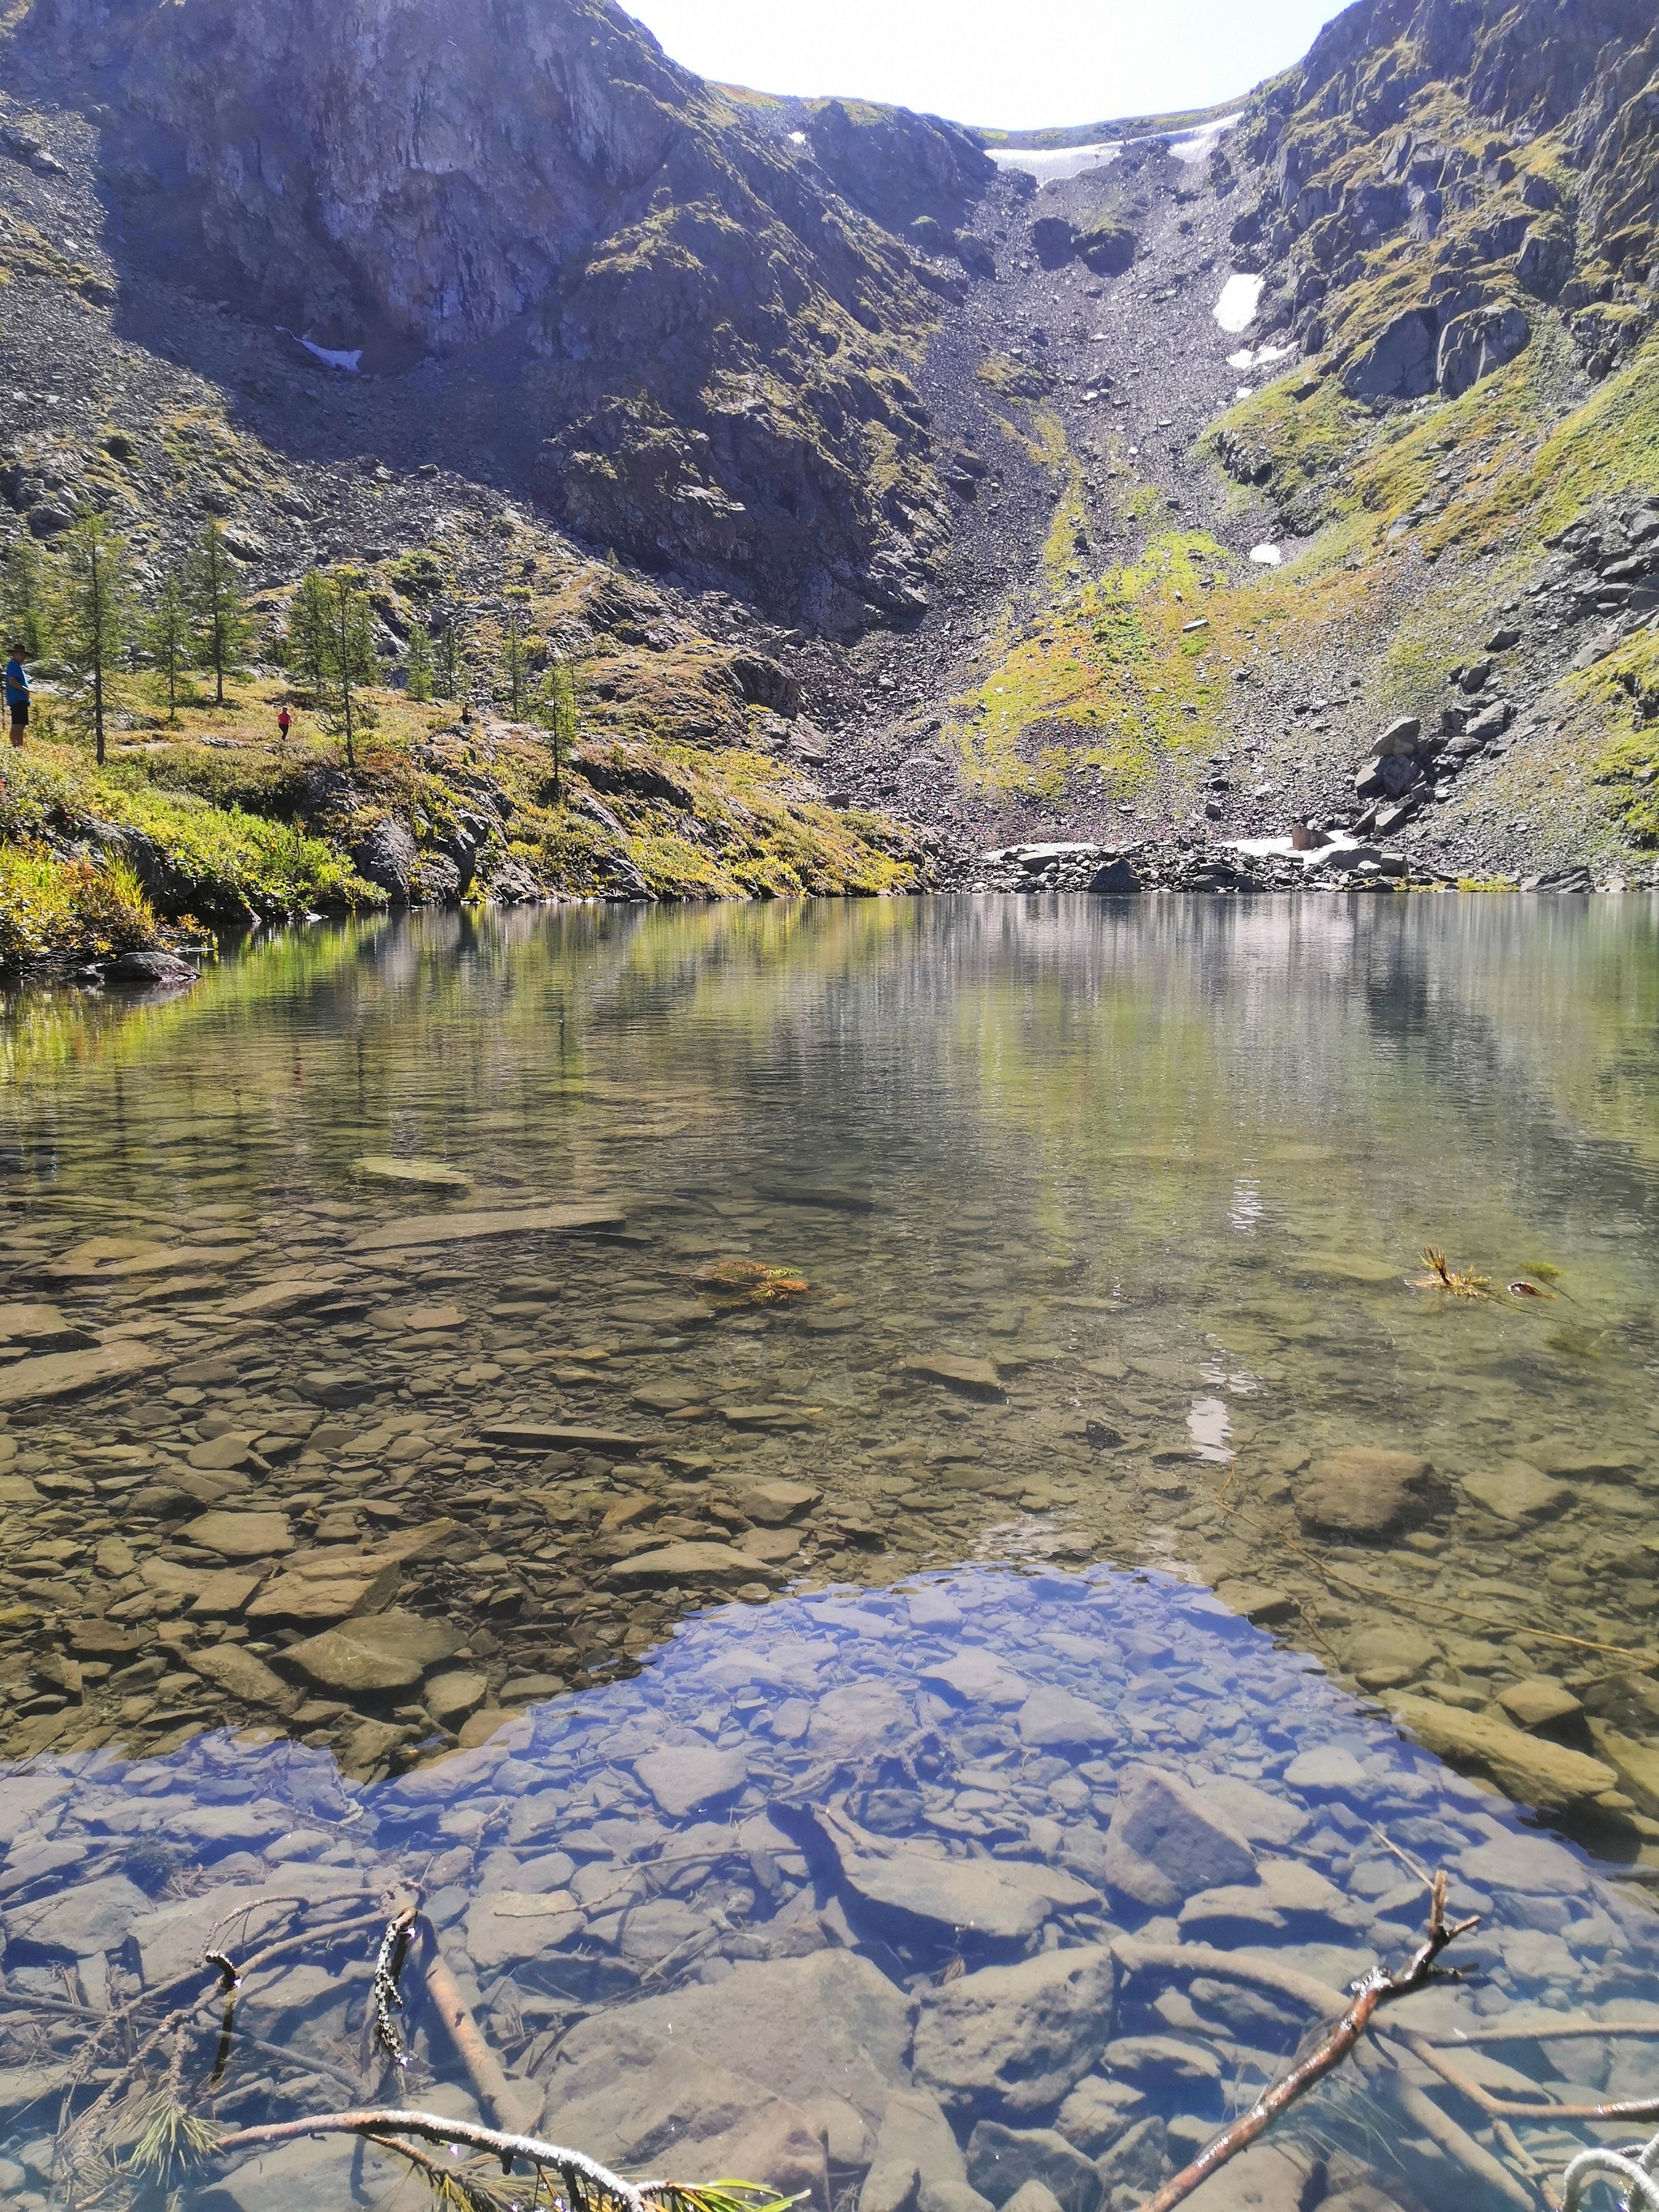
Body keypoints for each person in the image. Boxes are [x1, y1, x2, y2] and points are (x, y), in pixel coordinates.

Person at [4, 644, 28, 749]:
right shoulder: (13, 665)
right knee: (19, 723)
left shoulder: (15, 666)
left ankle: (16, 745)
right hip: (18, 699)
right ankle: (18, 746)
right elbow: (12, 681)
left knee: (18, 722)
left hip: (18, 699)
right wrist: (24, 689)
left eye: (23, 655)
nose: (22, 657)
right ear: (14, 654)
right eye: (20, 654)